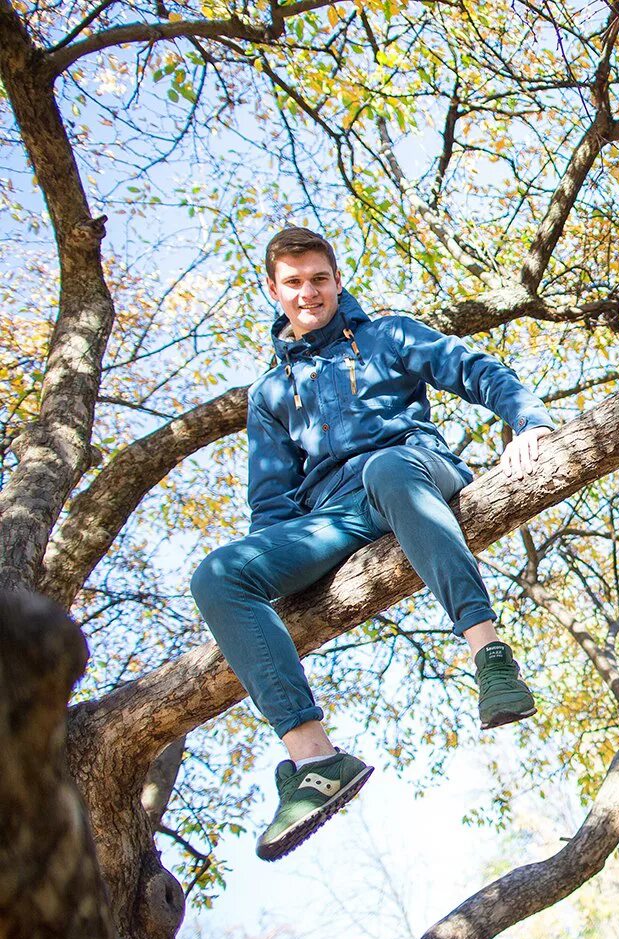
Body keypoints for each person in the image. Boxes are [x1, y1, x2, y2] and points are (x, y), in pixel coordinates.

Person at [191, 226, 556, 860]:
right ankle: (315, 761)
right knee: (218, 575)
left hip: (412, 469)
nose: (309, 292)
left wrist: (530, 418)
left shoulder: (388, 334)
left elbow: (475, 370)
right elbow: (271, 501)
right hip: (336, 516)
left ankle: (491, 655)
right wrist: (268, 580)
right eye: (294, 283)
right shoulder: (270, 395)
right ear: (274, 291)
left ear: (337, 280)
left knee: (385, 467)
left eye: (319, 279)